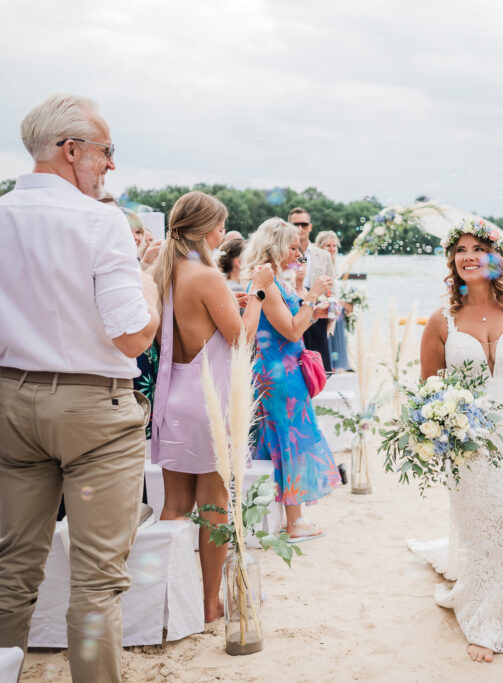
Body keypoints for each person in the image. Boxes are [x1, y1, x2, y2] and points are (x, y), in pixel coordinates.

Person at [0, 94, 159, 682]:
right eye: (105, 152)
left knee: (12, 566)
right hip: (94, 409)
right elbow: (132, 338)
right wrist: (149, 285)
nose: (110, 165)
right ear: (71, 151)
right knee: (96, 579)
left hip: (12, 401)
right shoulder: (99, 221)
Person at [412, 220, 503, 663]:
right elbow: (429, 388)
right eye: (461, 249)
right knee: (482, 531)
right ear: (452, 261)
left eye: (479, 248)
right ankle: (486, 612)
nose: (469, 255)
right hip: (468, 445)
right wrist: (441, 429)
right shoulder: (440, 320)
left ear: (498, 258)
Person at [149, 192, 273, 622]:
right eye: (220, 225)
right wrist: (257, 292)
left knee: (175, 505)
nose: (223, 233)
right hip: (207, 401)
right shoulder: (207, 276)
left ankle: (167, 602)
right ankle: (208, 604)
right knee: (216, 504)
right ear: (204, 229)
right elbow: (241, 340)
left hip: (174, 398)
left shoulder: (162, 273)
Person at [241, 218, 340, 540]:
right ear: (275, 246)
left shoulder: (275, 282)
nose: (298, 252)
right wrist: (312, 295)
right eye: (293, 246)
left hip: (284, 371)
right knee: (289, 442)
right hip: (279, 375)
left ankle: (283, 517)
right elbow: (293, 330)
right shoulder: (267, 286)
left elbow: (294, 321)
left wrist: (313, 307)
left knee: (284, 441)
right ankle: (294, 523)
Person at [289, 207, 335, 373]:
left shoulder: (322, 255)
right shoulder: (283, 253)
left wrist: (330, 307)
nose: (300, 228)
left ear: (310, 227)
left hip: (317, 312)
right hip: (291, 310)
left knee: (318, 365)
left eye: (304, 224)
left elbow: (332, 286)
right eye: (296, 224)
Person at [315, 230, 354, 371]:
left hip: (336, 313)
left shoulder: (334, 266)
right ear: (319, 247)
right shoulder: (318, 266)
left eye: (334, 245)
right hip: (325, 312)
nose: (332, 249)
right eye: (328, 245)